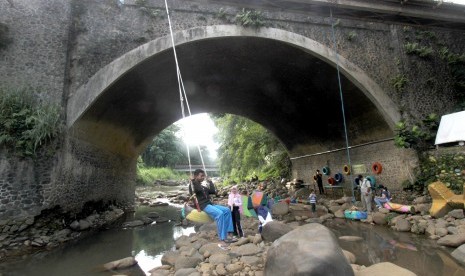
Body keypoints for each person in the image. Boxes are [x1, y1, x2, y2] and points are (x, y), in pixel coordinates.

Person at [189, 169, 234, 250]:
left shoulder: (203, 186)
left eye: (203, 176)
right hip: (203, 205)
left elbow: (213, 191)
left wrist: (210, 182)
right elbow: (197, 190)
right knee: (219, 214)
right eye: (201, 176)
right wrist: (193, 181)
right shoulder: (193, 185)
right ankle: (222, 239)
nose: (203, 177)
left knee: (227, 210)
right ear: (196, 176)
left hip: (210, 204)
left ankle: (229, 233)